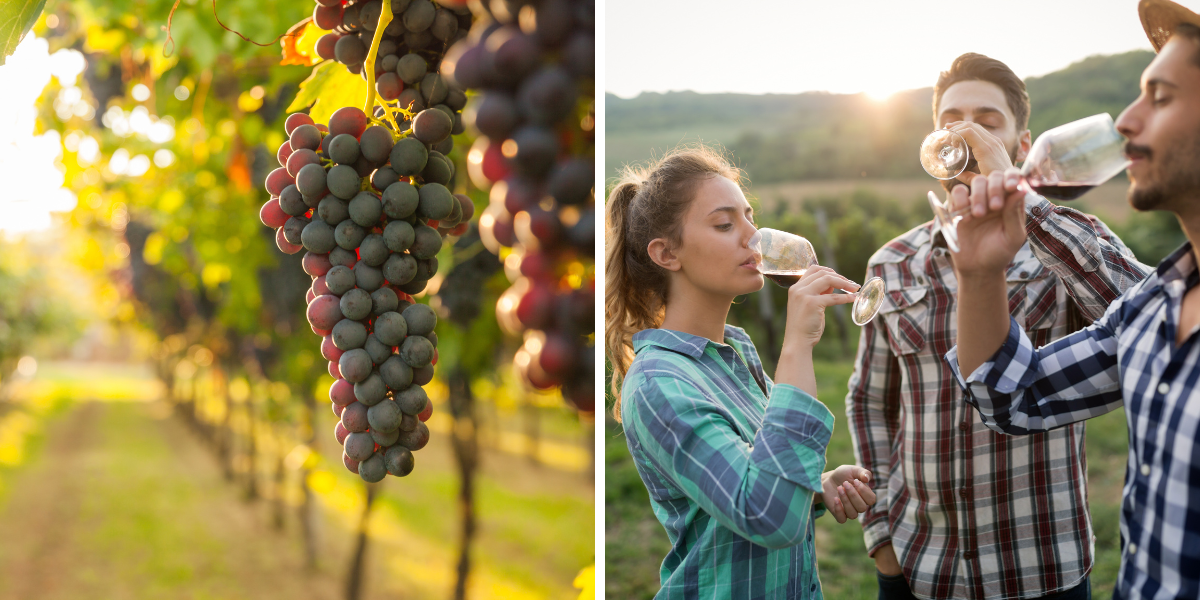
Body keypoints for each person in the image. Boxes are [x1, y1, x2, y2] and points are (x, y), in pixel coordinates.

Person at [845, 53, 1152, 600]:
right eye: (951, 120)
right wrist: (883, 540)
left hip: (1042, 566)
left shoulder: (1065, 245)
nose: (965, 133)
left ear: (1021, 142)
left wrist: (1021, 198)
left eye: (986, 122)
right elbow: (869, 400)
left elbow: (1154, 317)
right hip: (920, 567)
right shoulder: (890, 264)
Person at [945, 2, 1200, 598]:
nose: (1127, 122)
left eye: (1159, 98)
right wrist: (981, 275)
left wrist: (1026, 198)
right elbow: (1013, 397)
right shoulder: (1149, 308)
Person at [606, 146, 876, 599]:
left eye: (750, 219)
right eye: (725, 224)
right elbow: (768, 515)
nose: (753, 238)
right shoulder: (659, 384)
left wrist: (815, 488)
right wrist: (797, 346)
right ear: (667, 254)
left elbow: (757, 475)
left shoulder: (737, 351)